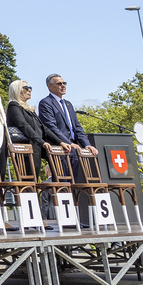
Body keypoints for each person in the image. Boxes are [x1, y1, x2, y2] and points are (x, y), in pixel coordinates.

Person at [37, 73, 92, 224]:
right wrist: (66, 141)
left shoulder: (68, 104)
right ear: (50, 86)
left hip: (74, 150)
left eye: (64, 83)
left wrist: (87, 144)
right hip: (58, 150)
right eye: (59, 83)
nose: (63, 86)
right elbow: (50, 127)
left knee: (72, 184)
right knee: (62, 184)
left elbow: (77, 127)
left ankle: (74, 218)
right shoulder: (46, 103)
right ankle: (65, 219)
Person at [6, 78, 73, 187]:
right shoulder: (14, 106)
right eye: (26, 88)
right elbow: (24, 126)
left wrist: (60, 142)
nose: (29, 90)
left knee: (34, 181)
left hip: (35, 148)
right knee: (28, 182)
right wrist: (42, 142)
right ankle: (28, 202)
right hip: (24, 150)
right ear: (17, 90)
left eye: (30, 88)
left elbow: (44, 128)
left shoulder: (29, 109)